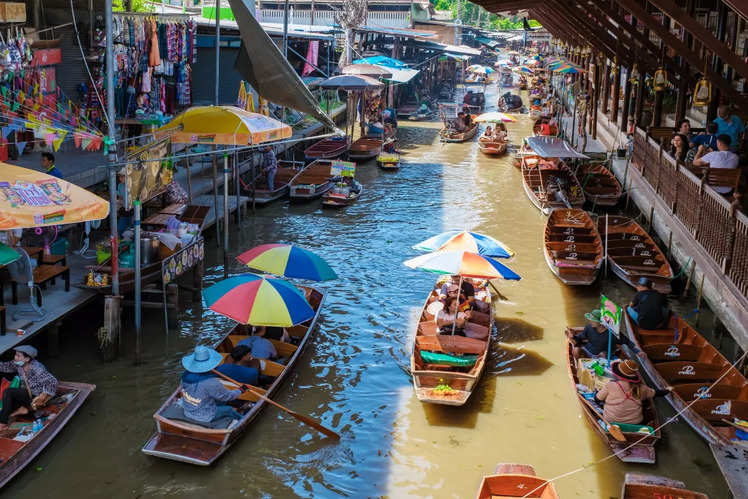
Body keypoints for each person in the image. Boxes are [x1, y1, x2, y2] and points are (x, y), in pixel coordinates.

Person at [179, 346, 243, 424]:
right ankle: (242, 419)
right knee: (229, 409)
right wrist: (240, 391)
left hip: (188, 410)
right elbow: (227, 396)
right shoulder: (211, 382)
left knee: (219, 401)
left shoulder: (185, 375)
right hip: (204, 416)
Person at [594, 359, 670, 425]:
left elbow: (597, 399)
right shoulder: (642, 388)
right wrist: (668, 390)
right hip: (636, 422)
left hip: (610, 421)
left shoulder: (610, 385)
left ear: (618, 374)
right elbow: (657, 393)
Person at [0, 345, 58, 430]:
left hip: (36, 397)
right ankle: (22, 409)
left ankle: (2, 424)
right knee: (7, 405)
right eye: (16, 355)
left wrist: (44, 394)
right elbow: (5, 366)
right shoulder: (18, 364)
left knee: (8, 392)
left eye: (18, 356)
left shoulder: (37, 367)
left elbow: (52, 381)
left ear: (27, 359)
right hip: (26, 393)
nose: (15, 357)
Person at [568, 309, 640, 359]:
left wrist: (637, 352)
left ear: (601, 323)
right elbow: (580, 337)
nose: (590, 322)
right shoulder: (589, 327)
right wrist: (573, 336)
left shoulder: (612, 333)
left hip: (603, 356)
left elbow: (627, 342)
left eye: (593, 320)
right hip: (588, 351)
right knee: (576, 351)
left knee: (603, 354)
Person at [116, 172, 133, 236]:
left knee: (133, 229)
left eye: (122, 177)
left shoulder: (132, 185)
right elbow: (120, 197)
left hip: (133, 210)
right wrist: (119, 203)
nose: (120, 179)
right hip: (124, 210)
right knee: (120, 229)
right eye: (119, 177)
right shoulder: (120, 185)